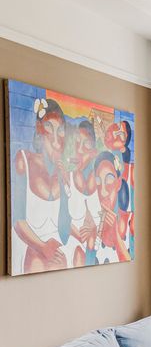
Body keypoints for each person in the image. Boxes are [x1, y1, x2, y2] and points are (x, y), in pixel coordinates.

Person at [11, 98, 69, 273]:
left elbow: (64, 232)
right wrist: (43, 247)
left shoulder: (62, 173)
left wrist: (66, 188)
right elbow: (17, 220)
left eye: (60, 129)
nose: (55, 135)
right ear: (39, 128)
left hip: (55, 254)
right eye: (49, 126)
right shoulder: (24, 160)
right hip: (29, 248)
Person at [65, 119, 100, 267]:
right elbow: (61, 223)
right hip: (73, 251)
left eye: (85, 144)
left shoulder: (102, 181)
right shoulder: (67, 178)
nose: (79, 150)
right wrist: (81, 236)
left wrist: (94, 231)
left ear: (93, 152)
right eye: (77, 142)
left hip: (96, 251)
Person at [92, 151, 131, 263]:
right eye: (98, 181)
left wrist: (116, 234)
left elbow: (128, 264)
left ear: (118, 183)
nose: (103, 191)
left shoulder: (129, 222)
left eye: (109, 179)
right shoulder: (96, 225)